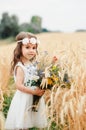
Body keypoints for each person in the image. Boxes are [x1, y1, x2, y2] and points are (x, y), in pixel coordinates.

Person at [5, 32, 47, 130]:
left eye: (34, 48)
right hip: (24, 99)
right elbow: (19, 85)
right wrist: (34, 92)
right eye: (27, 47)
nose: (31, 50)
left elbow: (40, 75)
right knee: (23, 124)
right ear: (20, 48)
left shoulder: (32, 63)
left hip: (32, 98)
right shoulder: (20, 66)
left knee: (28, 122)